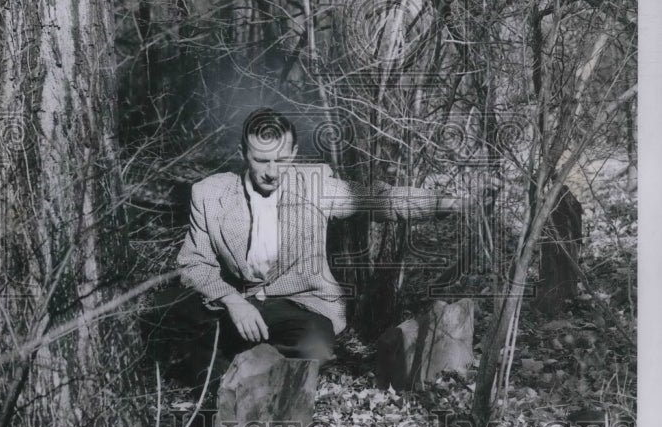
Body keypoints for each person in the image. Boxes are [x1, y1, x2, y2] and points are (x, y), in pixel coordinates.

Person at [149, 108, 469, 395]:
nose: (272, 171)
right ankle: (222, 393)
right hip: (237, 302)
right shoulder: (209, 194)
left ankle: (263, 384)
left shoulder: (314, 186)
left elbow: (378, 199)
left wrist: (441, 202)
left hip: (299, 304)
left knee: (314, 346)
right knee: (168, 321)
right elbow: (194, 264)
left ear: (294, 153)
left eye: (281, 160)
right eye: (261, 160)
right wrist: (232, 302)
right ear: (242, 153)